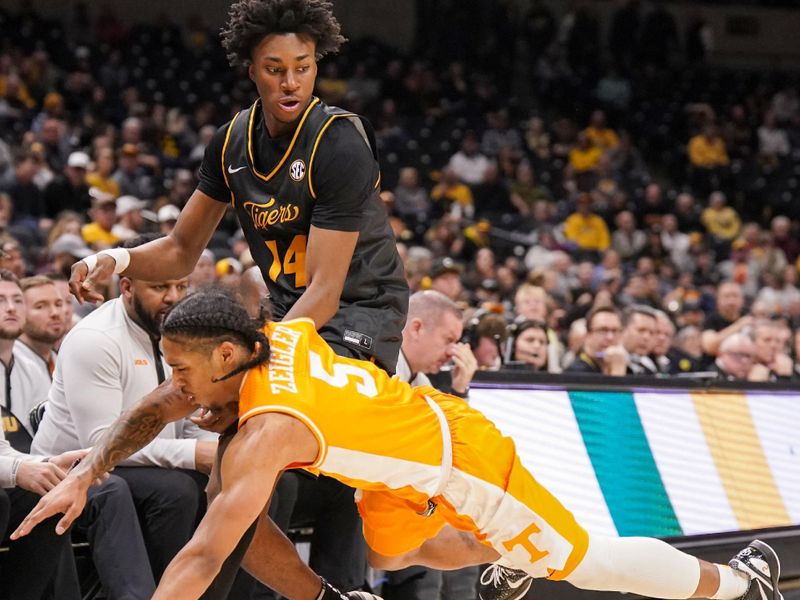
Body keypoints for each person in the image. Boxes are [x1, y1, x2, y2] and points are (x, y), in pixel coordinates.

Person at [13, 289, 785, 600]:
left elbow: (208, 554)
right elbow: (159, 401)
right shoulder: (267, 339)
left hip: (459, 455)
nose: (176, 384)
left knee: (585, 564)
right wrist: (94, 470)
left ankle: (737, 584)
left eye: (184, 367)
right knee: (388, 555)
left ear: (225, 358)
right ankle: (493, 560)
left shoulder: (269, 428)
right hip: (388, 464)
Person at [68, 1, 408, 595]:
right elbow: (178, 251)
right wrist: (114, 258)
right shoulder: (231, 143)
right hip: (290, 320)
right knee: (225, 485)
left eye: (303, 66)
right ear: (251, 69)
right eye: (275, 67)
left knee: (241, 463)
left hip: (359, 318)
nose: (291, 81)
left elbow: (326, 292)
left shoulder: (338, 144)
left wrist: (258, 359)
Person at [32, 235, 216, 596]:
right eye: (160, 286)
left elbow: (198, 415)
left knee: (234, 485)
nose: (173, 298)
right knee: (176, 491)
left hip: (146, 466)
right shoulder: (95, 339)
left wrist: (211, 451)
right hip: (73, 469)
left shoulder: (186, 332)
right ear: (127, 286)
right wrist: (197, 456)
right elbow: (101, 446)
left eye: (181, 285)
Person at [383, 290, 478, 600]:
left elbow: (453, 444)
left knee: (465, 516)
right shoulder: (382, 368)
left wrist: (460, 390)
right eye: (449, 340)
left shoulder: (419, 380)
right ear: (417, 328)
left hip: (395, 491)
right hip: (359, 494)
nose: (453, 353)